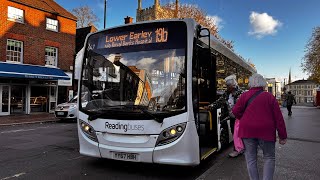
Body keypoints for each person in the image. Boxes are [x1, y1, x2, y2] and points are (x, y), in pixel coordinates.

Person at [232, 73, 287, 180]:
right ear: (263, 84)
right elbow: (278, 118)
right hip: (266, 132)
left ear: (251, 84)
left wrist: (243, 118)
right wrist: (282, 136)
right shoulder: (269, 97)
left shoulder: (244, 96)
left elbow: (235, 111)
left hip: (247, 131)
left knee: (251, 159)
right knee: (269, 157)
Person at [208, 74, 243, 158]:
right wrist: (210, 106)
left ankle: (237, 150)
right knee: (235, 133)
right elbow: (219, 102)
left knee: (239, 134)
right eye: (227, 86)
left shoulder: (240, 93)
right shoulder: (227, 94)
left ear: (233, 85)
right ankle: (239, 149)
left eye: (228, 86)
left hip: (240, 118)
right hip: (232, 117)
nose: (227, 87)